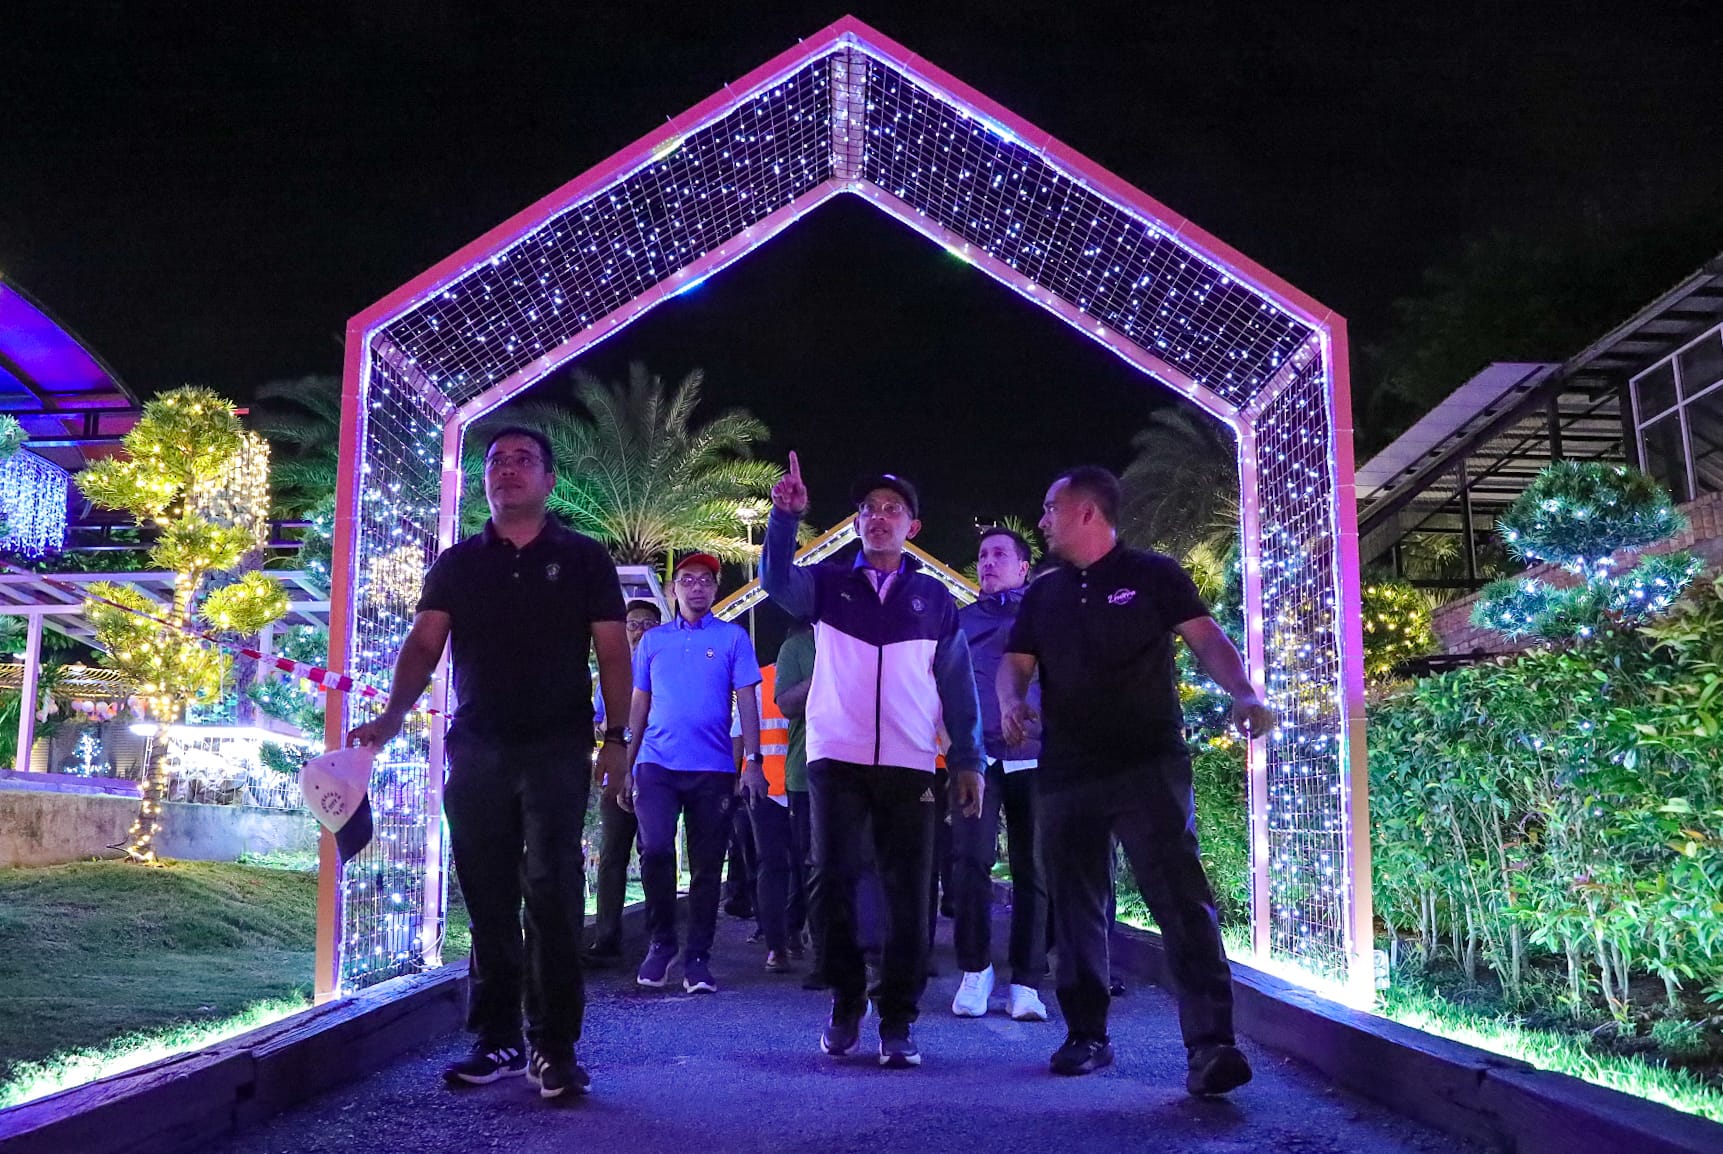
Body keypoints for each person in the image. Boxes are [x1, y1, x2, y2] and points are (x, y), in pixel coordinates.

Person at [348, 426, 629, 1100]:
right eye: (496, 461)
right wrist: (391, 716)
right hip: (476, 748)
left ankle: (554, 1046)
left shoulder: (584, 558)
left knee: (553, 891)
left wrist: (617, 739)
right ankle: (497, 1037)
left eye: (523, 460)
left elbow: (614, 651)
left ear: (549, 480)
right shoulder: (457, 563)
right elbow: (424, 646)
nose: (507, 469)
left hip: (557, 748)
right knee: (487, 894)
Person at [999, 465, 1275, 1098]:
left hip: (1149, 764)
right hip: (1067, 770)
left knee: (1181, 900)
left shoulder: (1154, 574)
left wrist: (1243, 692)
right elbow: (1014, 664)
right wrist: (1011, 702)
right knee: (1075, 906)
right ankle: (1086, 1035)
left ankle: (1211, 1046)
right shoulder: (1043, 593)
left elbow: (1207, 639)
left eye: (1050, 508)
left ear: (1087, 512)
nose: (1041, 521)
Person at [761, 452, 984, 1069]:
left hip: (911, 762)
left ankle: (898, 1017)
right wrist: (785, 519)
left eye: (892, 509)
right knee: (830, 877)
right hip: (835, 756)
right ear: (857, 522)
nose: (878, 517)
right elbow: (775, 581)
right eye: (868, 509)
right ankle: (846, 998)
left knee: (909, 890)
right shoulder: (826, 585)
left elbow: (958, 683)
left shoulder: (934, 599)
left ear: (913, 526)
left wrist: (968, 759)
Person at [623, 553, 763, 995]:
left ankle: (698, 957)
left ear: (716, 589)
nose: (697, 587)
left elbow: (748, 700)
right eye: (687, 580)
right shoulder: (653, 642)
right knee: (656, 850)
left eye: (706, 580)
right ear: (673, 590)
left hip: (714, 768)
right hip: (656, 764)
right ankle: (661, 943)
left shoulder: (733, 638)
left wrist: (754, 761)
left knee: (707, 866)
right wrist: (627, 764)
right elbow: (640, 703)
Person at [950, 525, 1048, 1022]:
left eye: (999, 555)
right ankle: (975, 970)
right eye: (983, 555)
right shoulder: (961, 620)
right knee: (970, 862)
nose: (987, 562)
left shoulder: (1046, 614)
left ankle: (1027, 982)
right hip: (977, 760)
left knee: (1035, 869)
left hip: (1037, 756)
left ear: (1023, 567)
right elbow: (942, 683)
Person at [584, 598, 663, 967]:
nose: (640, 631)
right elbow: (598, 720)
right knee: (612, 854)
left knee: (656, 852)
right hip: (618, 774)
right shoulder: (612, 674)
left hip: (656, 771)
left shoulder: (667, 668)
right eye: (633, 624)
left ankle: (659, 936)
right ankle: (606, 938)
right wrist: (613, 731)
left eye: (648, 624)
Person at [731, 650, 808, 971]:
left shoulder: (758, 680)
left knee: (771, 865)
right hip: (791, 787)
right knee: (801, 866)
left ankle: (778, 945)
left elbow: (738, 735)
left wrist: (737, 776)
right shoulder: (813, 674)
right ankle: (787, 936)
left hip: (766, 786)